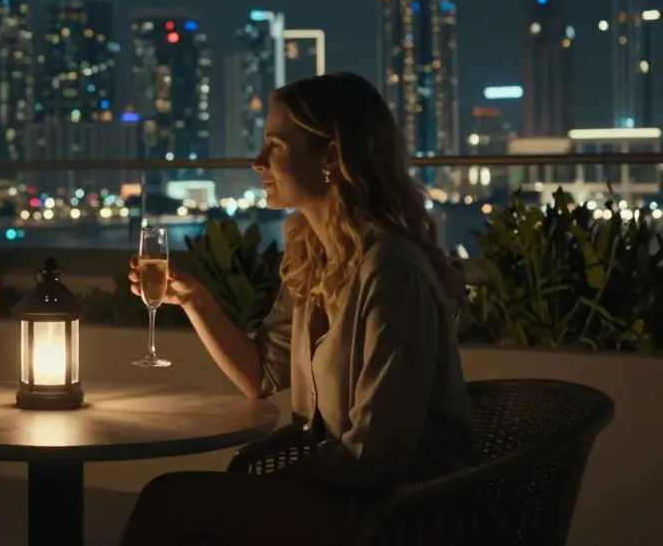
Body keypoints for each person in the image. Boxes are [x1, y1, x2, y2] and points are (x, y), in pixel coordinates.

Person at [120, 72, 474, 546]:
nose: (258, 161)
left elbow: (376, 454)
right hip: (334, 493)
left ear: (331, 155)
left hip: (395, 511)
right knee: (184, 508)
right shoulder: (312, 252)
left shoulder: (392, 273)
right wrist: (194, 300)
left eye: (276, 147)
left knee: (173, 501)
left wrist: (265, 485)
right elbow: (261, 375)